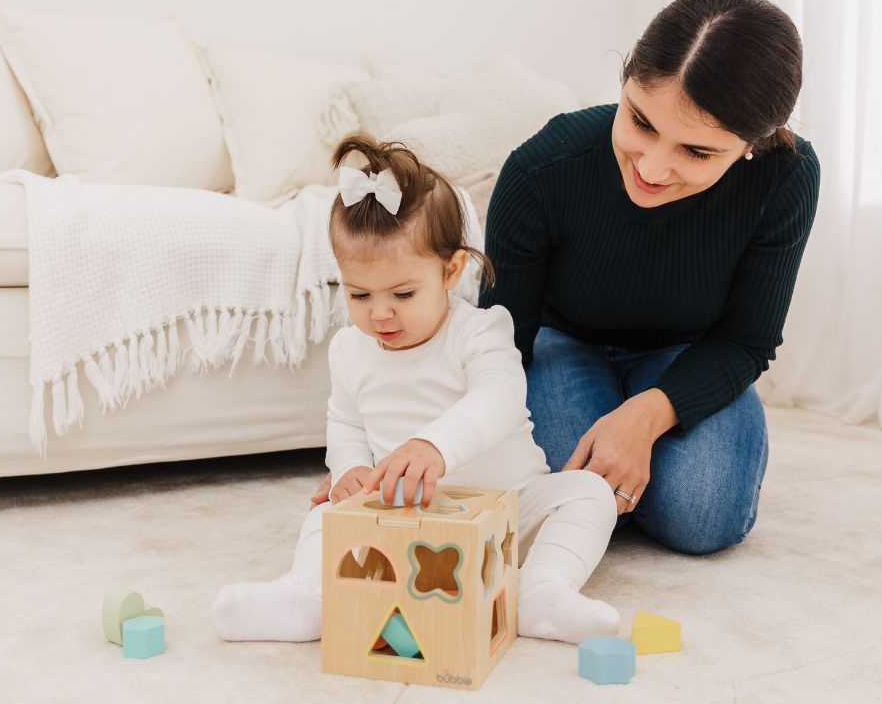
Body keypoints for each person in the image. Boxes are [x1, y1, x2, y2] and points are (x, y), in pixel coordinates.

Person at [212, 135, 620, 644]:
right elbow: (345, 421)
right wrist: (350, 468)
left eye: (403, 293)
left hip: (508, 508)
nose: (380, 313)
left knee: (589, 492)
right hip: (404, 516)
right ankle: (307, 599)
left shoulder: (481, 330)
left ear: (451, 270)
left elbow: (499, 397)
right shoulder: (349, 349)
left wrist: (434, 446)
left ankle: (541, 590)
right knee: (325, 515)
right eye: (359, 294)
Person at [479, 0, 821, 555]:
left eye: (697, 152)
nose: (653, 169)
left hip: (693, 349)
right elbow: (499, 340)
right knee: (566, 498)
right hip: (562, 343)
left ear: (751, 146)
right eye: (640, 122)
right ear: (624, 82)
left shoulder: (785, 177)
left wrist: (646, 416)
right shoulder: (542, 168)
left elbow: (746, 340)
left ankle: (647, 466)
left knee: (703, 516)